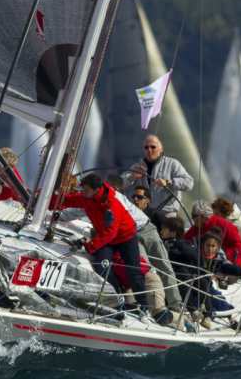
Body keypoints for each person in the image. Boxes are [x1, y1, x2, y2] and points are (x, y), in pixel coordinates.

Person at [61, 174, 162, 320]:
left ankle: (143, 308)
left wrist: (90, 246)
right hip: (107, 238)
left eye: (85, 189)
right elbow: (69, 201)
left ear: (96, 190)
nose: (82, 191)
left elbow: (111, 232)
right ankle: (116, 300)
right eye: (82, 189)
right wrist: (50, 200)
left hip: (125, 237)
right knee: (102, 266)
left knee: (133, 271)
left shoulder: (111, 203)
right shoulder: (87, 197)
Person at [114, 186, 181, 311]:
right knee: (144, 268)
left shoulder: (156, 214)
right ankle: (147, 304)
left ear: (148, 200)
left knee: (165, 267)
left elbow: (169, 228)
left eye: (139, 197)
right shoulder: (127, 207)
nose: (135, 199)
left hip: (149, 232)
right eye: (133, 196)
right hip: (133, 237)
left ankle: (175, 304)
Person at [123, 134, 193, 217]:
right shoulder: (137, 167)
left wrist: (168, 182)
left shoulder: (172, 164)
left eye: (153, 147)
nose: (149, 150)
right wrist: (132, 177)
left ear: (161, 149)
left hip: (167, 212)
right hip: (143, 213)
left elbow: (189, 183)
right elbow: (119, 184)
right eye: (146, 147)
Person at [184, 200, 241, 266]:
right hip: (206, 262)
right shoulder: (197, 227)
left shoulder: (223, 224)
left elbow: (239, 247)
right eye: (192, 215)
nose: (192, 218)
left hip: (227, 264)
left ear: (203, 216)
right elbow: (186, 239)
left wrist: (225, 256)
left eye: (194, 216)